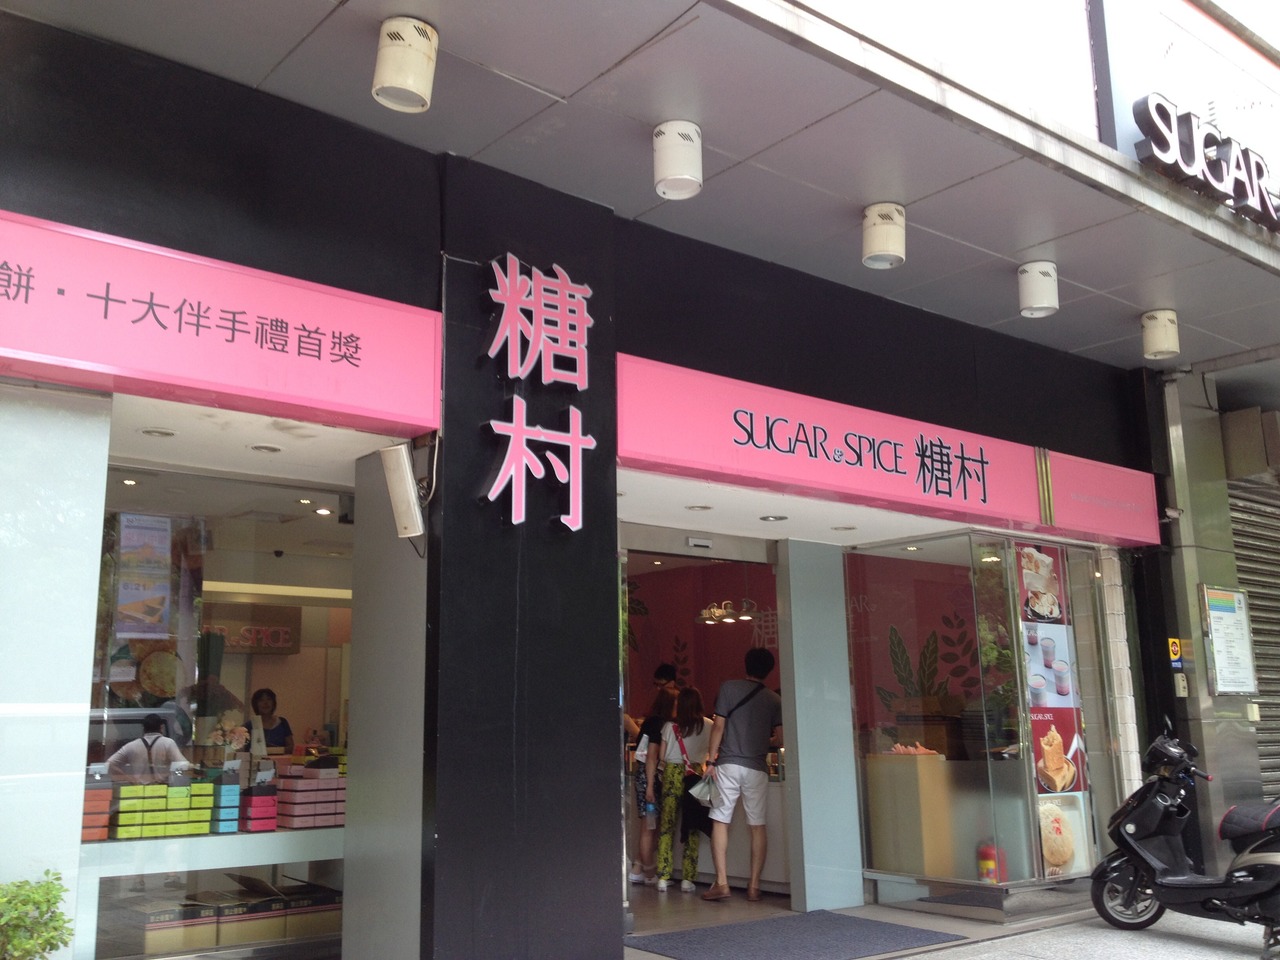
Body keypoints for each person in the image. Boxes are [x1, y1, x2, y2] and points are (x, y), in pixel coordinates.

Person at [702, 647, 783, 903]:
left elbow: (718, 726)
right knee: (757, 826)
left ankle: (722, 883)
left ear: (746, 664)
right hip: (757, 767)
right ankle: (754, 886)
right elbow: (780, 740)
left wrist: (710, 759)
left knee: (720, 821)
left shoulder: (728, 688)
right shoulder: (774, 700)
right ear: (769, 670)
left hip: (728, 764)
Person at [648, 686, 712, 893]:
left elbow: (662, 756)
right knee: (692, 824)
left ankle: (663, 876)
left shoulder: (670, 726)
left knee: (667, 825)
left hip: (672, 774)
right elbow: (712, 752)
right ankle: (688, 879)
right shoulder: (709, 725)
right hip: (695, 774)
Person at [628, 687, 677, 885]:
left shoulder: (650, 722)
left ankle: (638, 867)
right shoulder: (660, 725)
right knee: (649, 827)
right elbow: (652, 756)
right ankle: (649, 873)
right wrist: (650, 785)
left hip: (644, 775)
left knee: (650, 825)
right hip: (651, 778)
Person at [107, 713, 190, 785]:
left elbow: (109, 764)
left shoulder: (131, 746)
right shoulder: (168, 743)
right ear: (161, 727)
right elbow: (183, 765)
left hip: (139, 790)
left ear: (144, 729)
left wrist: (128, 778)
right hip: (162, 789)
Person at [248, 688, 294, 752]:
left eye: (269, 699)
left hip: (281, 758)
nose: (265, 703)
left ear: (273, 703)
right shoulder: (250, 725)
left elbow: (291, 747)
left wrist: (273, 750)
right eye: (261, 700)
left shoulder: (282, 722)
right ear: (256, 704)